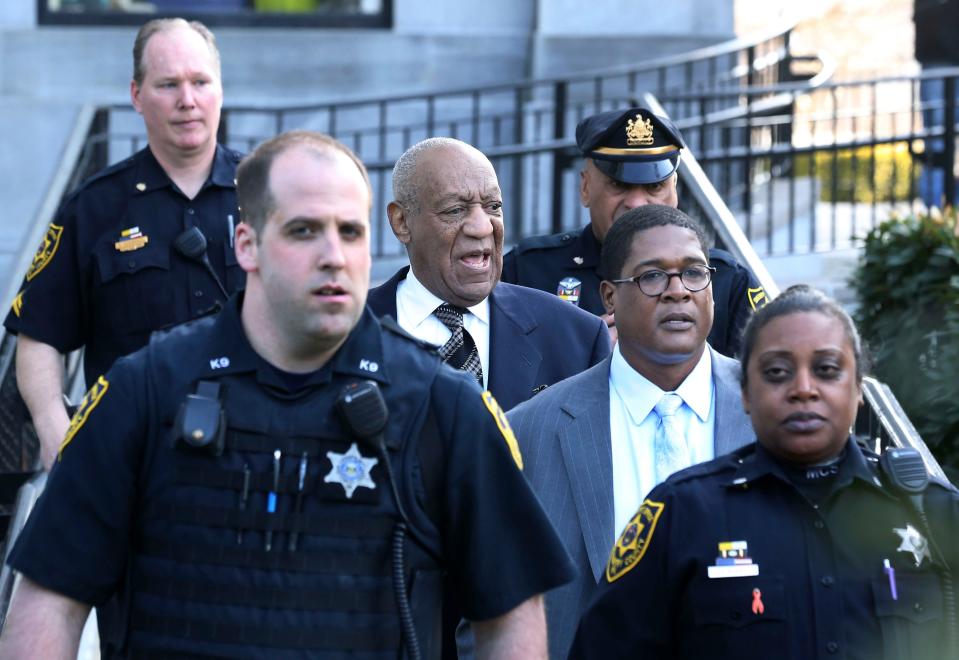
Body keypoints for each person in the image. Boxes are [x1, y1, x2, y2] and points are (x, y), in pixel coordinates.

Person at [0, 131, 575, 660]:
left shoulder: (443, 406)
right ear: (246, 245)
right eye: (304, 230)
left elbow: (512, 610)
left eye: (350, 231)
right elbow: (49, 598)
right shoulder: (142, 391)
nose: (333, 254)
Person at [570, 284, 959, 660]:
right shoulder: (683, 513)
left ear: (858, 388)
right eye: (776, 372)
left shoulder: (930, 512)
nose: (803, 389)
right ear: (745, 393)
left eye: (826, 369)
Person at [507, 204, 755, 659]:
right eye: (653, 277)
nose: (677, 291)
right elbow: (492, 607)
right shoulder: (530, 430)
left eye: (694, 273)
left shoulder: (766, 412)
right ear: (608, 297)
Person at [4, 18, 244, 470]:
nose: (187, 100)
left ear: (220, 89)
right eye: (168, 84)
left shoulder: (268, 194)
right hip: (128, 456)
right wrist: (57, 433)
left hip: (250, 451)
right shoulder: (94, 208)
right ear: (136, 95)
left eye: (200, 82)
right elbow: (38, 335)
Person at [501, 107, 767, 358]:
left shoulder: (726, 281)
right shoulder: (526, 273)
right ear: (585, 188)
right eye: (619, 185)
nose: (637, 203)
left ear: (674, 188)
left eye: (654, 186)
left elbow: (762, 383)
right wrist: (581, 358)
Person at [367, 137, 610, 412]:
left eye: (493, 206)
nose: (483, 228)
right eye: (455, 210)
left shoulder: (576, 336)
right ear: (401, 222)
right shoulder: (346, 335)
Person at [913, 0, 959, 209]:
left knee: (941, 140)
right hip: (939, 64)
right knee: (938, 141)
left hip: (943, 63)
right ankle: (936, 214)